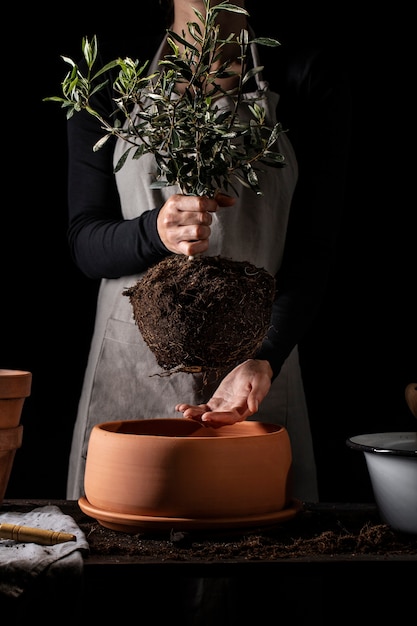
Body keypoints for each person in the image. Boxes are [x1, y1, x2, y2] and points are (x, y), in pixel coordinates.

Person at [65, 0, 351, 505]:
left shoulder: (301, 76)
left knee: (251, 550)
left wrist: (265, 357)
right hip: (132, 365)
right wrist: (156, 232)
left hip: (256, 368)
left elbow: (313, 250)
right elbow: (87, 245)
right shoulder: (111, 78)